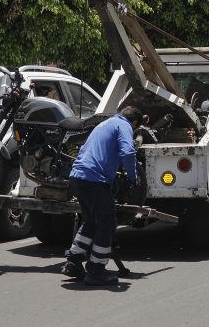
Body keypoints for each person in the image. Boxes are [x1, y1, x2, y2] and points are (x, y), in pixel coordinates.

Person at [62, 106, 143, 286]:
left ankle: (73, 262)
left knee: (91, 221)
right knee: (107, 224)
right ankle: (96, 271)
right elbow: (128, 152)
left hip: (78, 177)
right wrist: (133, 176)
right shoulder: (124, 125)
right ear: (135, 122)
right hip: (94, 180)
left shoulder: (104, 124)